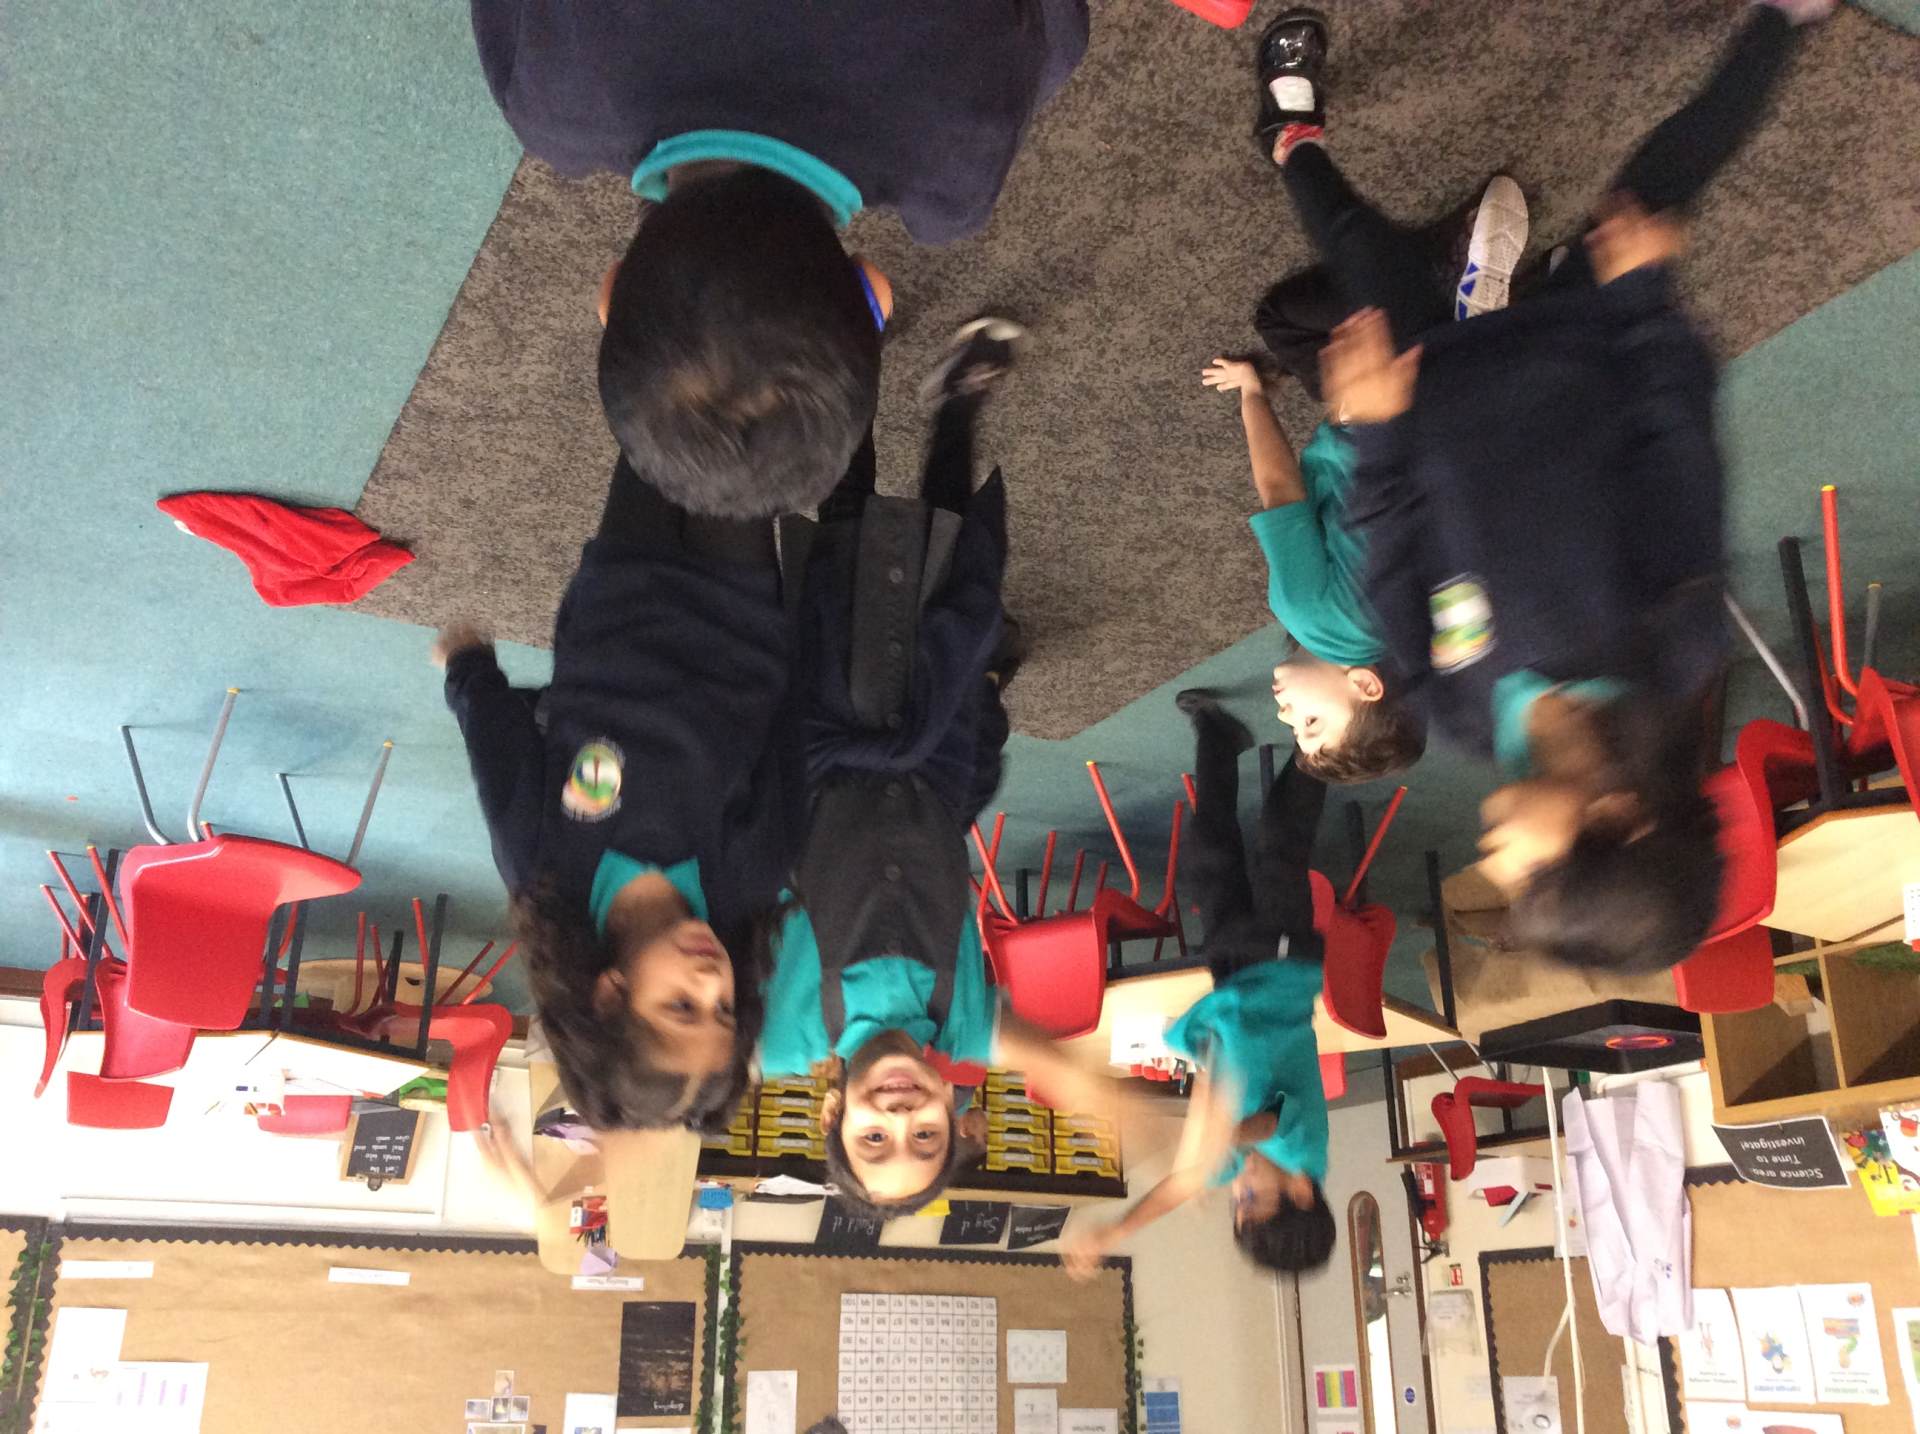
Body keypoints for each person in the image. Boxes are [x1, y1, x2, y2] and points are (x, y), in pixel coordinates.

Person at [1255, 0, 1835, 970]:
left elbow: (1393, 564)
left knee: (1357, 244)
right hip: (1573, 349)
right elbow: (1678, 453)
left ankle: (1287, 136)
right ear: (1621, 818)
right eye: (1534, 877)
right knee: (1659, 187)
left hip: (1429, 382)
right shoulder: (1670, 644)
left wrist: (1382, 439)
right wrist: (1644, 305)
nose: (1497, 863)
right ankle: (1786, 20)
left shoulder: (1466, 716)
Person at [470, 0, 1089, 518]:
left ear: (875, 292)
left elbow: (1058, 32)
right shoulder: (549, 91)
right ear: (610, 293)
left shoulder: (962, 149)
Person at [757, 320, 1108, 1218]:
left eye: (872, 1139)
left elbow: (684, 1069)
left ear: (832, 1114)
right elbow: (1044, 1054)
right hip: (937, 771)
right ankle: (957, 406)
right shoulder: (969, 1030)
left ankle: (850, 363)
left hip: (824, 751)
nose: (899, 1117)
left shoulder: (788, 1038)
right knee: (947, 582)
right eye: (925, 1138)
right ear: (954, 1110)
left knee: (844, 554)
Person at [434, 459, 802, 1133]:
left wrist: (468, 672)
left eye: (682, 1006)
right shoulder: (748, 879)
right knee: (744, 457)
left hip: (621, 602)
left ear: (610, 994)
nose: (712, 981)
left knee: (659, 445)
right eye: (724, 1009)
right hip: (740, 622)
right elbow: (789, 745)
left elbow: (503, 765)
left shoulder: (547, 873)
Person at [1064, 690, 1342, 1278]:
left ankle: (1218, 736)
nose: (1239, 1189)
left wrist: (1117, 1229)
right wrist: (1219, 1142)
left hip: (1234, 977)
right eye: (1251, 1199)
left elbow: (1181, 1185)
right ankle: (1325, 737)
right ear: (1299, 1193)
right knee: (1279, 845)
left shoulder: (1242, 1158)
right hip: (1282, 967)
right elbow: (1260, 1126)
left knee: (1210, 851)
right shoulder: (1303, 1153)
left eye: (1235, 1203)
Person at [1200, 353, 1424, 785]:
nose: (1285, 716)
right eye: (1311, 723)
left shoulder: (1401, 636)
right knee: (1287, 330)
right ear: (1366, 686)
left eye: (1295, 731)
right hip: (1371, 414)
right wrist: (1252, 391)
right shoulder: (1310, 614)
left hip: (1433, 432)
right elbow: (1279, 490)